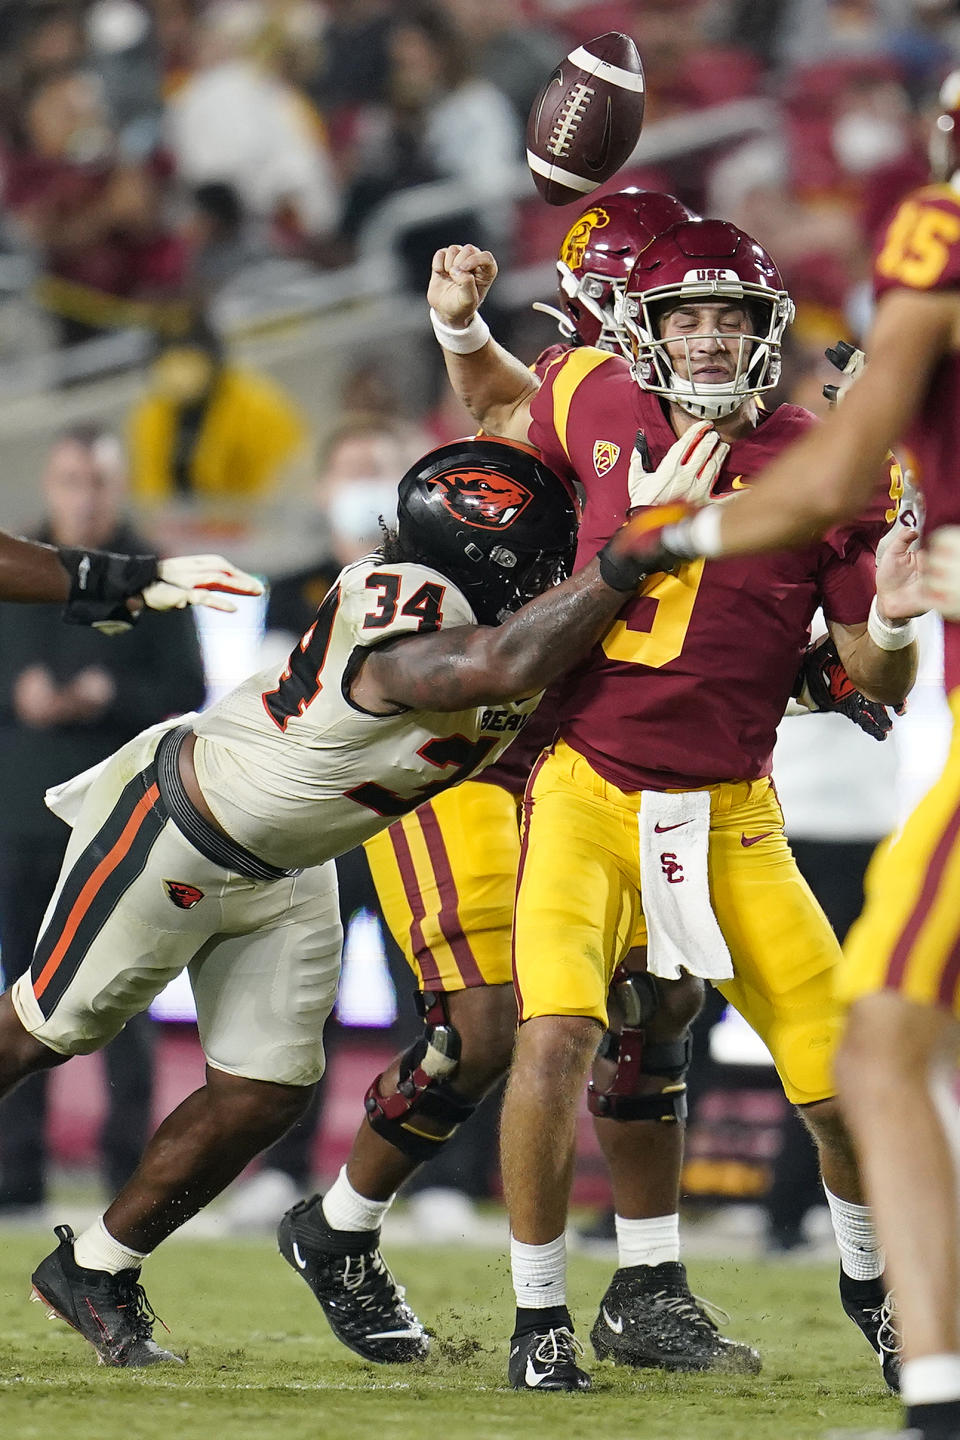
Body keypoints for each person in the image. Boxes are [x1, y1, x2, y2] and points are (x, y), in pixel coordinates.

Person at [289, 191, 896, 1375]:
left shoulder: (813, 462)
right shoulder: (591, 399)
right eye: (682, 316)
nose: (706, 340)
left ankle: (730, 1289)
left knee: (678, 1029)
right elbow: (508, 419)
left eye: (730, 317)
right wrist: (461, 335)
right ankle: (471, 1282)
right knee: (515, 1027)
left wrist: (880, 623)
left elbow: (849, 657)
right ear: (630, 324)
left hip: (722, 799)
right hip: (527, 754)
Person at [1, 435, 665, 1369]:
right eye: (550, 548)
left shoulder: (513, 624)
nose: (564, 565)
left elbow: (611, 687)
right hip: (180, 829)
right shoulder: (405, 603)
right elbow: (492, 669)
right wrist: (627, 562)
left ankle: (98, 1270)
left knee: (265, 1092)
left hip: (291, 865)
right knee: (36, 1033)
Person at [617, 79, 960, 1440]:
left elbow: (830, 481)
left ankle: (937, 1398)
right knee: (874, 1049)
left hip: (784, 787)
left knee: (876, 1048)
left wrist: (671, 539)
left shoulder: (935, 231)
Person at [0, 424, 207, 1214]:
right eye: (70, 480)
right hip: (20, 814)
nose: (82, 496)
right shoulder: (20, 569)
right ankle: (16, 1173)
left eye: (96, 481)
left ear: (116, 488)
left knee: (126, 993)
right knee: (20, 992)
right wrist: (19, 692)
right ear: (50, 486)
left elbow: (191, 687)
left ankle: (130, 1170)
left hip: (120, 822)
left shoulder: (155, 576)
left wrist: (106, 698)